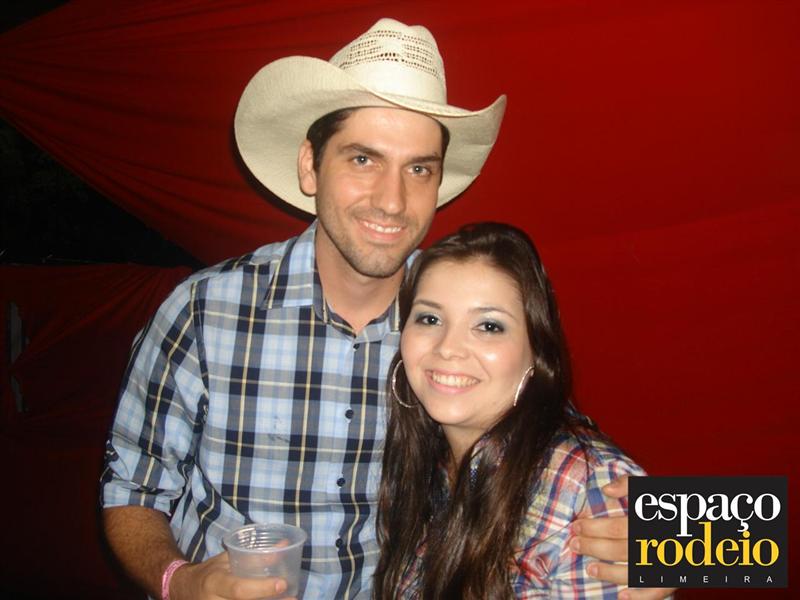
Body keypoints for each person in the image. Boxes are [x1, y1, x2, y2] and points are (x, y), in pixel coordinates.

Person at [100, 17, 664, 600]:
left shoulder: (453, 314)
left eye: (418, 168)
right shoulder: (204, 311)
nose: (393, 200)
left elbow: (556, 436)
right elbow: (130, 486)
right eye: (363, 159)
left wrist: (679, 539)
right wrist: (181, 582)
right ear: (310, 166)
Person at [374, 222, 644, 599]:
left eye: (489, 326)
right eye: (429, 319)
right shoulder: (425, 463)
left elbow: (718, 542)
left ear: (536, 351)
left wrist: (698, 540)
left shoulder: (589, 489)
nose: (448, 347)